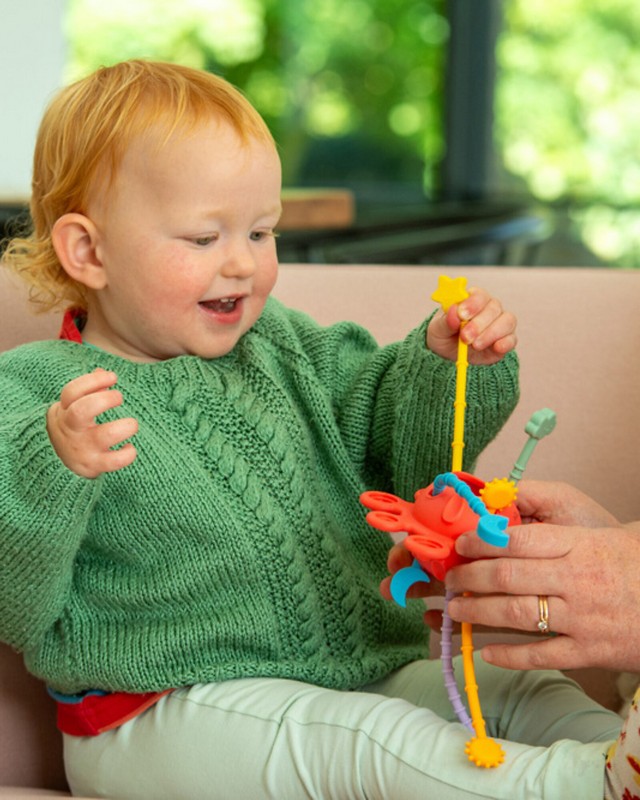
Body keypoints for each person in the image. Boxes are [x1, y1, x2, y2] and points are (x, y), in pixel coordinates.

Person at [0, 58, 621, 800]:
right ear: (89, 252)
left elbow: (401, 449)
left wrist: (444, 364)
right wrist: (55, 465)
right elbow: (18, 599)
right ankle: (574, 789)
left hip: (357, 674)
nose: (243, 264)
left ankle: (618, 756)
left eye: (262, 232)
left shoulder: (283, 345)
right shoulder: (37, 393)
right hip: (160, 714)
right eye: (204, 239)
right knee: (378, 747)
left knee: (518, 691)